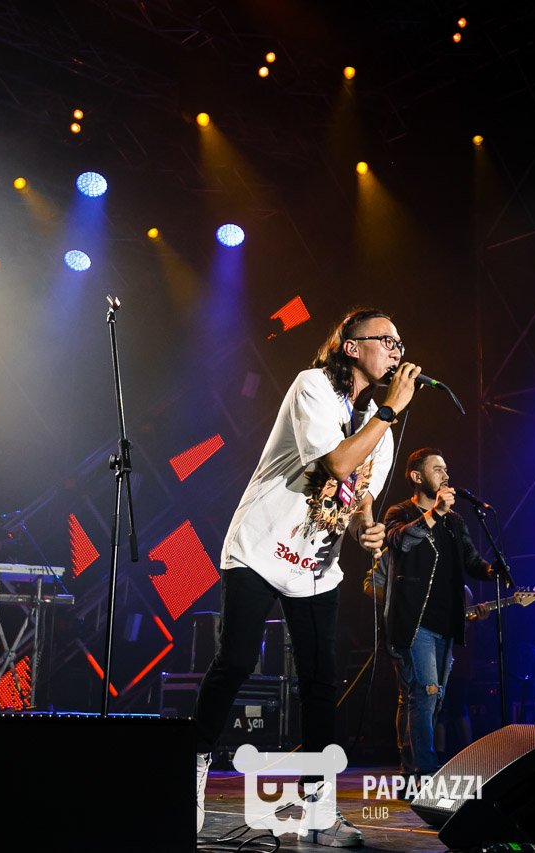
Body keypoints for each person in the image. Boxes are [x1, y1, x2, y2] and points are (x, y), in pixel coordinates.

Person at [192, 308, 421, 846]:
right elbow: (337, 464)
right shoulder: (313, 387)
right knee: (236, 660)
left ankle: (318, 806)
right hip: (260, 545)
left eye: (399, 341)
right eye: (385, 339)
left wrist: (367, 530)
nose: (396, 349)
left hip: (316, 566)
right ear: (351, 346)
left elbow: (359, 495)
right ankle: (194, 763)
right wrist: (390, 410)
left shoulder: (381, 426)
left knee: (321, 681)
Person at [364, 448, 493, 785]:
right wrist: (435, 513)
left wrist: (492, 570)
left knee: (429, 698)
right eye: (437, 469)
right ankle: (424, 770)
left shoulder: (455, 521)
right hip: (413, 621)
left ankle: (410, 766)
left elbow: (471, 560)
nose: (446, 475)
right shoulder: (400, 512)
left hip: (445, 621)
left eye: (446, 468)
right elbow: (401, 542)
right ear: (417, 476)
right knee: (426, 692)